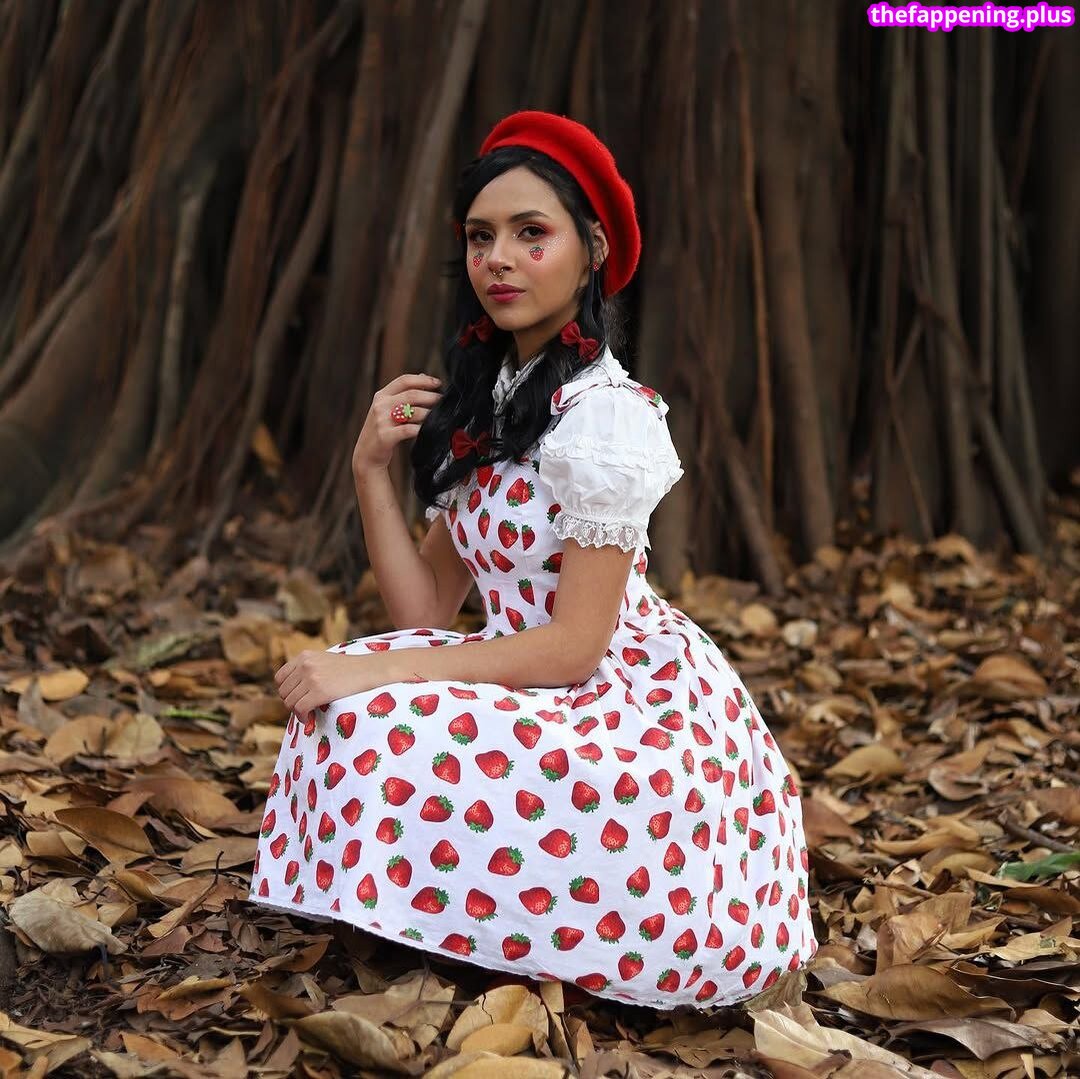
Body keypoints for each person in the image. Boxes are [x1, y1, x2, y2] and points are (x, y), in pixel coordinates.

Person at [249, 110, 818, 1010]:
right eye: (481, 238)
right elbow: (426, 609)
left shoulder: (606, 416)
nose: (499, 260)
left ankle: (499, 940)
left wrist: (384, 671)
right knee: (351, 704)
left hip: (613, 697)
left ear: (592, 252)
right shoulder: (492, 404)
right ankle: (430, 926)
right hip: (517, 671)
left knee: (375, 700)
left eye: (531, 234)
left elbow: (575, 647)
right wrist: (368, 471)